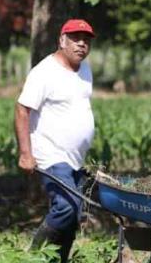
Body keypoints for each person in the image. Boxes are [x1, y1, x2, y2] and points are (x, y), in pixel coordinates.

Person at [15, 18, 96, 262]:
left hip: (75, 159)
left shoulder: (84, 70)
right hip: (51, 155)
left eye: (86, 40)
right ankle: (34, 256)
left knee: (74, 214)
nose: (81, 44)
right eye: (75, 38)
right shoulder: (44, 72)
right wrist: (26, 154)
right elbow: (22, 110)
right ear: (62, 40)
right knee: (65, 208)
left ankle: (59, 259)